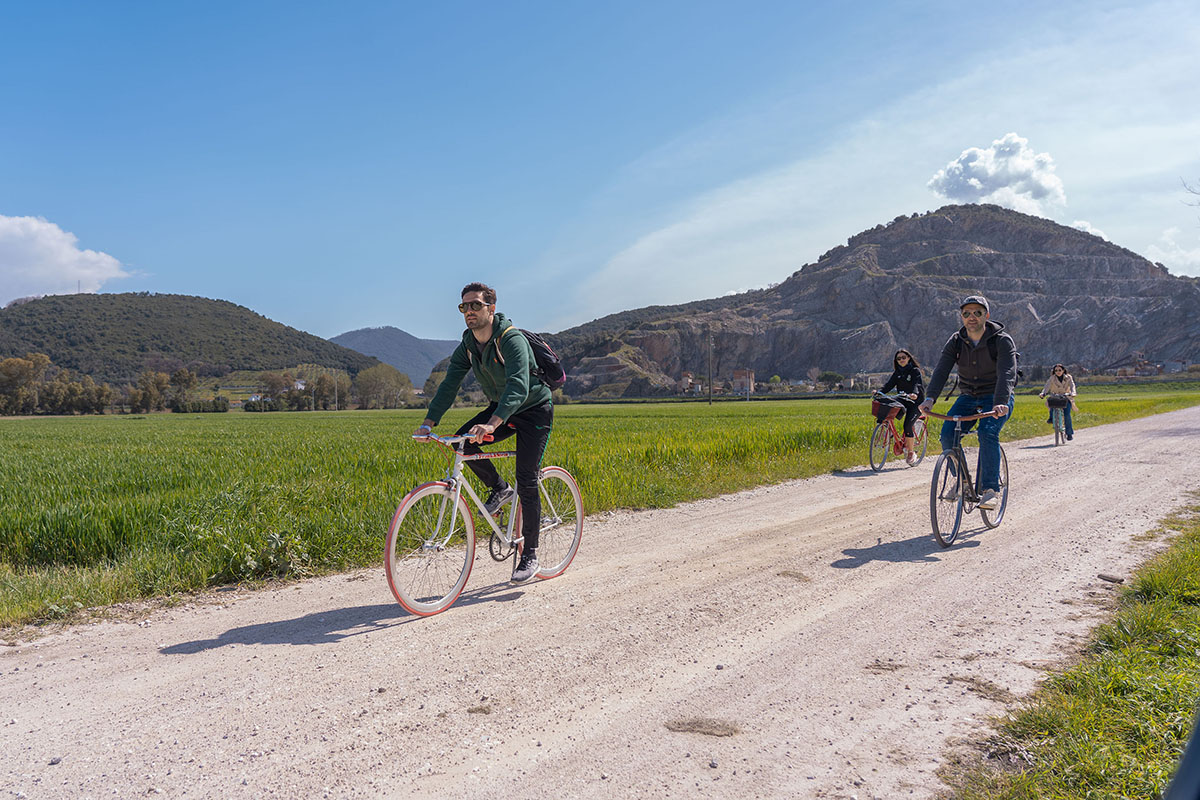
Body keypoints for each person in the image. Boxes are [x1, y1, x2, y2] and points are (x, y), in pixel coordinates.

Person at [414, 282, 554, 583]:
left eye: (475, 305)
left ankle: (530, 554)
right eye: (463, 307)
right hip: (502, 410)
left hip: (533, 410)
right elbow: (449, 384)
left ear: (491, 308)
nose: (469, 311)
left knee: (527, 479)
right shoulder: (468, 345)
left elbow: (519, 385)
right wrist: (429, 423)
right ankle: (500, 489)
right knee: (463, 444)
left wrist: (492, 422)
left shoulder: (510, 339)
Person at [919, 295, 1018, 510]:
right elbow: (942, 370)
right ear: (961, 317)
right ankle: (960, 481)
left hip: (996, 396)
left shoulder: (1002, 341)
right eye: (966, 313)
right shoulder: (956, 341)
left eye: (977, 312)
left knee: (987, 432)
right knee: (947, 434)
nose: (971, 317)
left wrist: (1001, 402)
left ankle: (990, 489)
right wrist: (930, 399)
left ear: (987, 315)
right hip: (968, 396)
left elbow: (1007, 373)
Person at [879, 348, 925, 465]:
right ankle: (888, 431)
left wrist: (914, 394)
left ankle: (910, 452)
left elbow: (917, 384)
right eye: (898, 358)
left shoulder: (915, 371)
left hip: (916, 402)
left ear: (909, 358)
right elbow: (889, 385)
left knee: (907, 425)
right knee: (887, 407)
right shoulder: (898, 373)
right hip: (903, 399)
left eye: (903, 357)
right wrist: (879, 392)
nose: (901, 360)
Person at [1039, 363, 1077, 440]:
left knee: (1067, 414)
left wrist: (1073, 393)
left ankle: (1069, 433)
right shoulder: (1052, 378)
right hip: (1055, 396)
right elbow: (1047, 386)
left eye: (1060, 370)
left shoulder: (1068, 377)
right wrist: (1043, 393)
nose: (1058, 372)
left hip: (1066, 397)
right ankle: (1051, 417)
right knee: (1051, 405)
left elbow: (1072, 385)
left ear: (1063, 370)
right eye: (1056, 370)